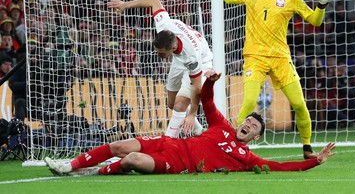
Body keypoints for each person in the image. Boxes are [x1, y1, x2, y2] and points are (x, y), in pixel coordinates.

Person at [44, 70, 336, 176]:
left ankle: (98, 172)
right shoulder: (221, 126)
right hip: (168, 143)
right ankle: (69, 166)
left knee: (132, 158)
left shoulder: (246, 158)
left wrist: (315, 161)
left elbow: (281, 167)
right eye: (247, 120)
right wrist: (208, 83)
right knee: (120, 144)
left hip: (176, 164)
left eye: (254, 127)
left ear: (256, 137)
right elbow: (207, 101)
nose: (248, 124)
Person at [203, 0, 333, 158]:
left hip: (280, 58)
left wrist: (322, 6)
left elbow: (315, 21)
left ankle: (307, 147)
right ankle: (232, 146)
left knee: (299, 104)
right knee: (249, 101)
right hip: (255, 56)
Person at [108, 0, 213, 137]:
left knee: (179, 105)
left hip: (202, 61)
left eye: (162, 53)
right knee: (171, 103)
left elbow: (197, 87)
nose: (159, 55)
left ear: (173, 47)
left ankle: (168, 142)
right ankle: (199, 130)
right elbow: (153, 1)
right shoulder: (163, 26)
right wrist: (124, 5)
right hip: (179, 58)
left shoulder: (191, 57)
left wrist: (193, 114)